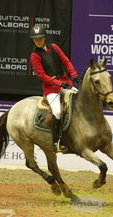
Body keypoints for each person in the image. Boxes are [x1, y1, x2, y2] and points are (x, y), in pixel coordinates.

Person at [29, 25, 79, 153]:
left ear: (44, 38)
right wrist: (57, 83)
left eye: (40, 38)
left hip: (64, 82)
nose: (38, 41)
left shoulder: (55, 47)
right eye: (35, 39)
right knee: (57, 111)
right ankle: (56, 142)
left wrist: (74, 75)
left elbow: (65, 61)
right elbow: (42, 76)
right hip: (51, 88)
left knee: (78, 97)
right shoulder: (34, 56)